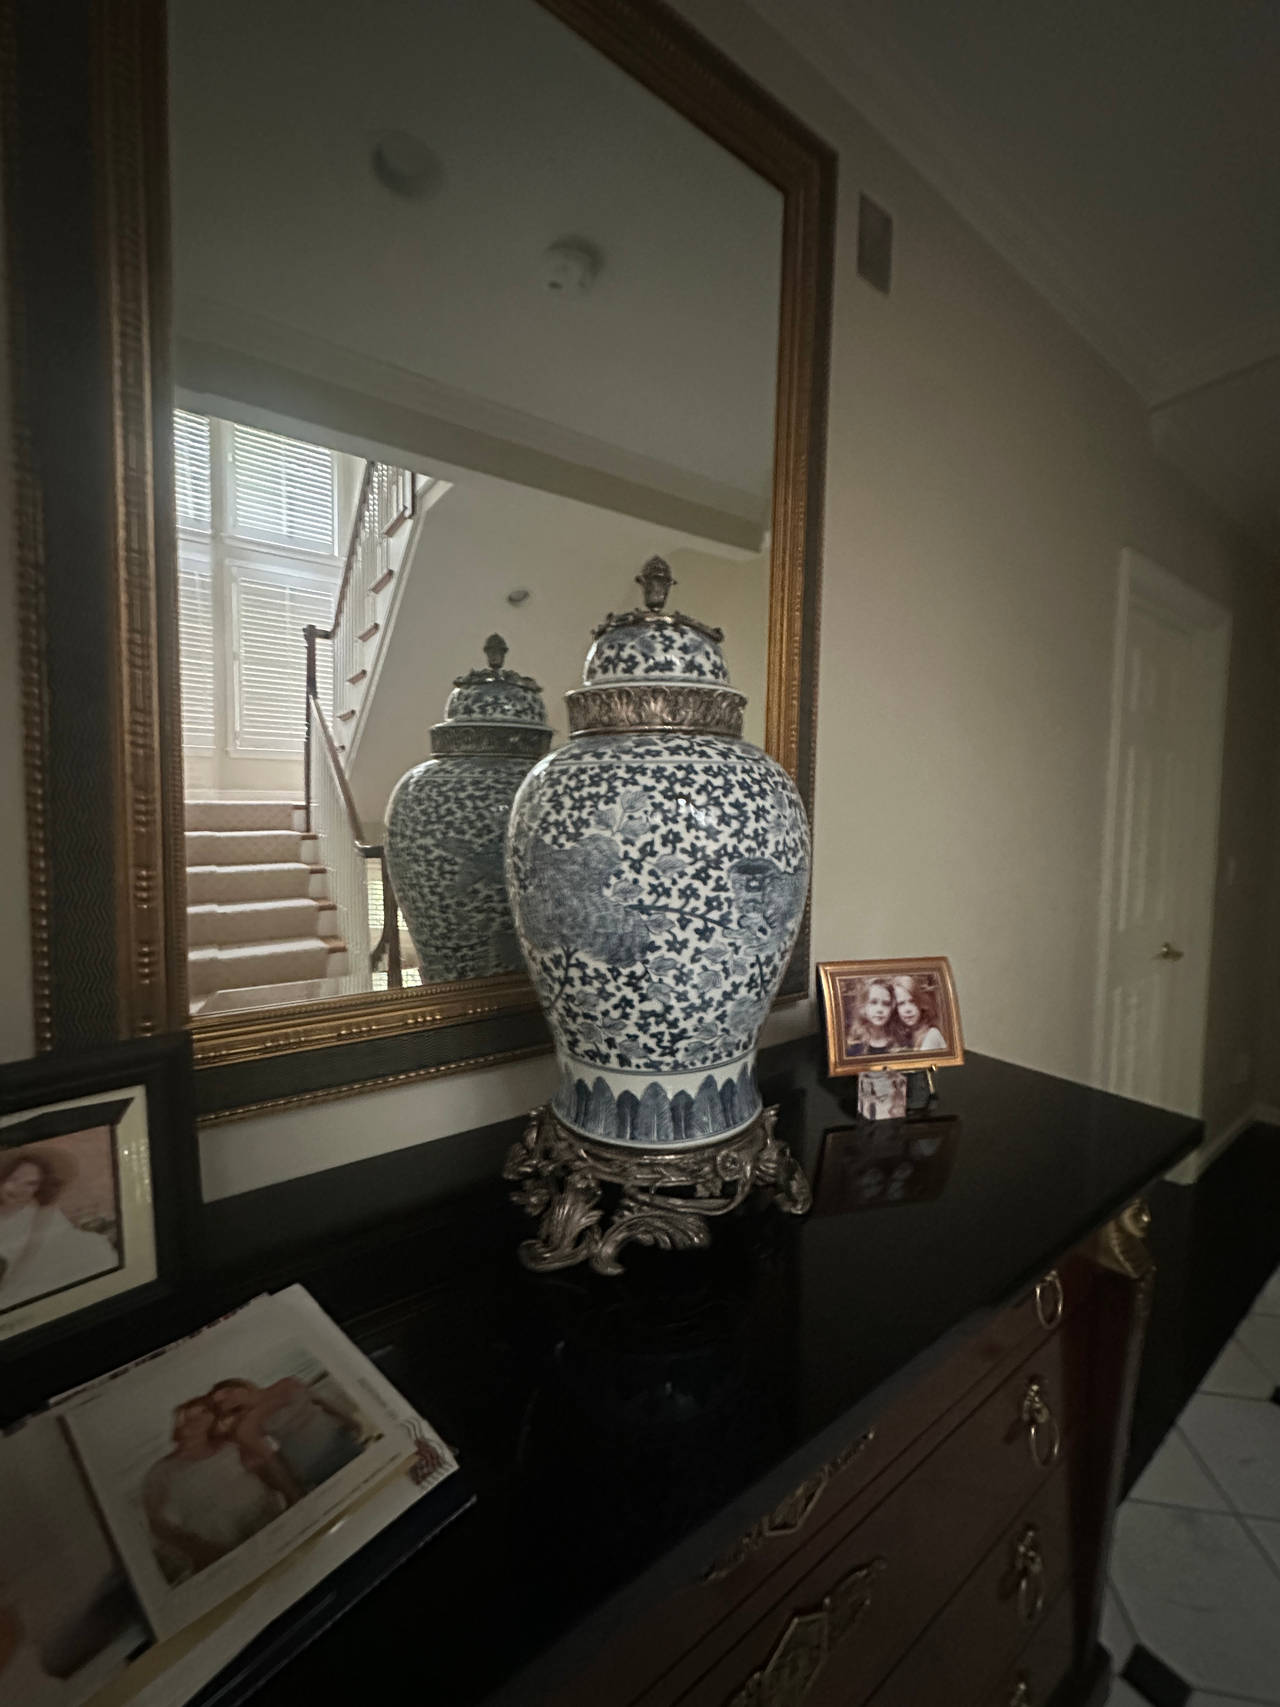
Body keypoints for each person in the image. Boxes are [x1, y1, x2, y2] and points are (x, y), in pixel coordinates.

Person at [141, 1399, 285, 1581]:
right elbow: (160, 1527)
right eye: (188, 1416)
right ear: (177, 1423)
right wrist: (209, 1554)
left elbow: (269, 1473)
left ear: (213, 1421)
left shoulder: (232, 1447)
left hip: (270, 1524)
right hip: (225, 1550)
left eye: (202, 1413)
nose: (194, 1420)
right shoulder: (160, 1473)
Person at [0, 1148, 118, 1313]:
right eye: (14, 1179)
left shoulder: (41, 1211)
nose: (20, 1188)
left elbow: (32, 1252)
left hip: (43, 1261)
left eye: (31, 1184)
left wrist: (8, 1289)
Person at [207, 1376, 364, 1500]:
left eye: (228, 1391)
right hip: (315, 1464)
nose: (229, 1398)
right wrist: (294, 1493)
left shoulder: (287, 1384)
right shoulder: (247, 1427)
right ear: (225, 1410)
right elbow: (272, 1461)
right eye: (222, 1402)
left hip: (341, 1441)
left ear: (241, 1384)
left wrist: (350, 1421)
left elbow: (321, 1401)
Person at [844, 978, 907, 1056]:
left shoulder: (902, 1043)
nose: (880, 1009)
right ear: (863, 1006)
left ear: (892, 1008)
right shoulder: (853, 1047)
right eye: (873, 1002)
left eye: (886, 1004)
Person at [892, 976, 948, 1052]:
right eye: (901, 1003)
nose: (908, 1009)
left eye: (912, 1002)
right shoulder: (903, 1036)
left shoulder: (931, 1035)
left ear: (921, 1003)